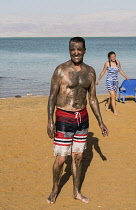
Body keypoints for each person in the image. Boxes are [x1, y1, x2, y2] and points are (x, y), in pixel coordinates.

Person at [47, 37, 109, 204]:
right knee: (61, 158)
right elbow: (52, 96)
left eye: (79, 49)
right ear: (69, 50)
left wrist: (101, 122)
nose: (76, 52)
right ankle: (55, 188)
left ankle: (76, 192)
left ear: (84, 50)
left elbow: (93, 99)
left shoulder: (90, 72)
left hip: (82, 118)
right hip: (63, 118)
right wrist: (50, 121)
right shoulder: (61, 70)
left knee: (78, 156)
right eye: (73, 49)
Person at [96, 51, 129, 115]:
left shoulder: (118, 62)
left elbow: (120, 70)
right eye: (112, 57)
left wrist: (126, 77)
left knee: (113, 95)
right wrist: (98, 80)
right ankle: (115, 111)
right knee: (113, 96)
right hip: (109, 81)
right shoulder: (107, 63)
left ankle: (107, 104)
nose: (113, 58)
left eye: (114, 56)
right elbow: (103, 72)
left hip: (116, 81)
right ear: (109, 57)